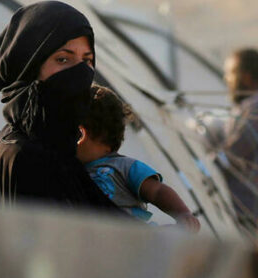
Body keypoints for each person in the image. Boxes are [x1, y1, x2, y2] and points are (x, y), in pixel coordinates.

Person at [0, 0, 118, 212]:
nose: (80, 73)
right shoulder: (26, 155)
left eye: (87, 61)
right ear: (28, 68)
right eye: (62, 59)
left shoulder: (53, 147)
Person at [78, 85, 201, 232]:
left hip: (134, 236)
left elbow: (157, 192)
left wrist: (183, 214)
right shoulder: (72, 171)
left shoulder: (124, 166)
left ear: (83, 133)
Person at [202, 48, 258, 230]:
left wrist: (203, 169)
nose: (226, 80)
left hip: (246, 206)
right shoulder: (248, 105)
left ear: (246, 77)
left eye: (230, 73)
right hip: (238, 203)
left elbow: (235, 149)